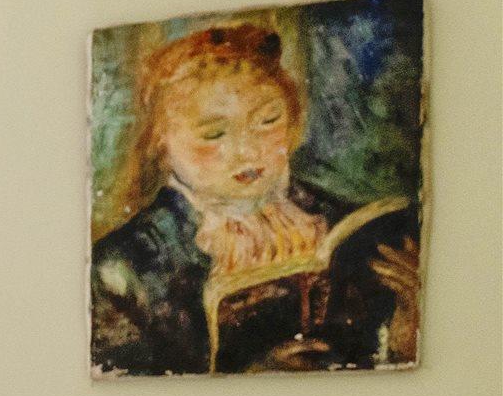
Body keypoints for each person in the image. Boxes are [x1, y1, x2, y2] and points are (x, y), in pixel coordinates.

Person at [90, 23, 421, 375]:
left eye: (268, 120)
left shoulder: (344, 225)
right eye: (214, 133)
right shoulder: (122, 269)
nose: (248, 150)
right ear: (162, 146)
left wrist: (406, 331)